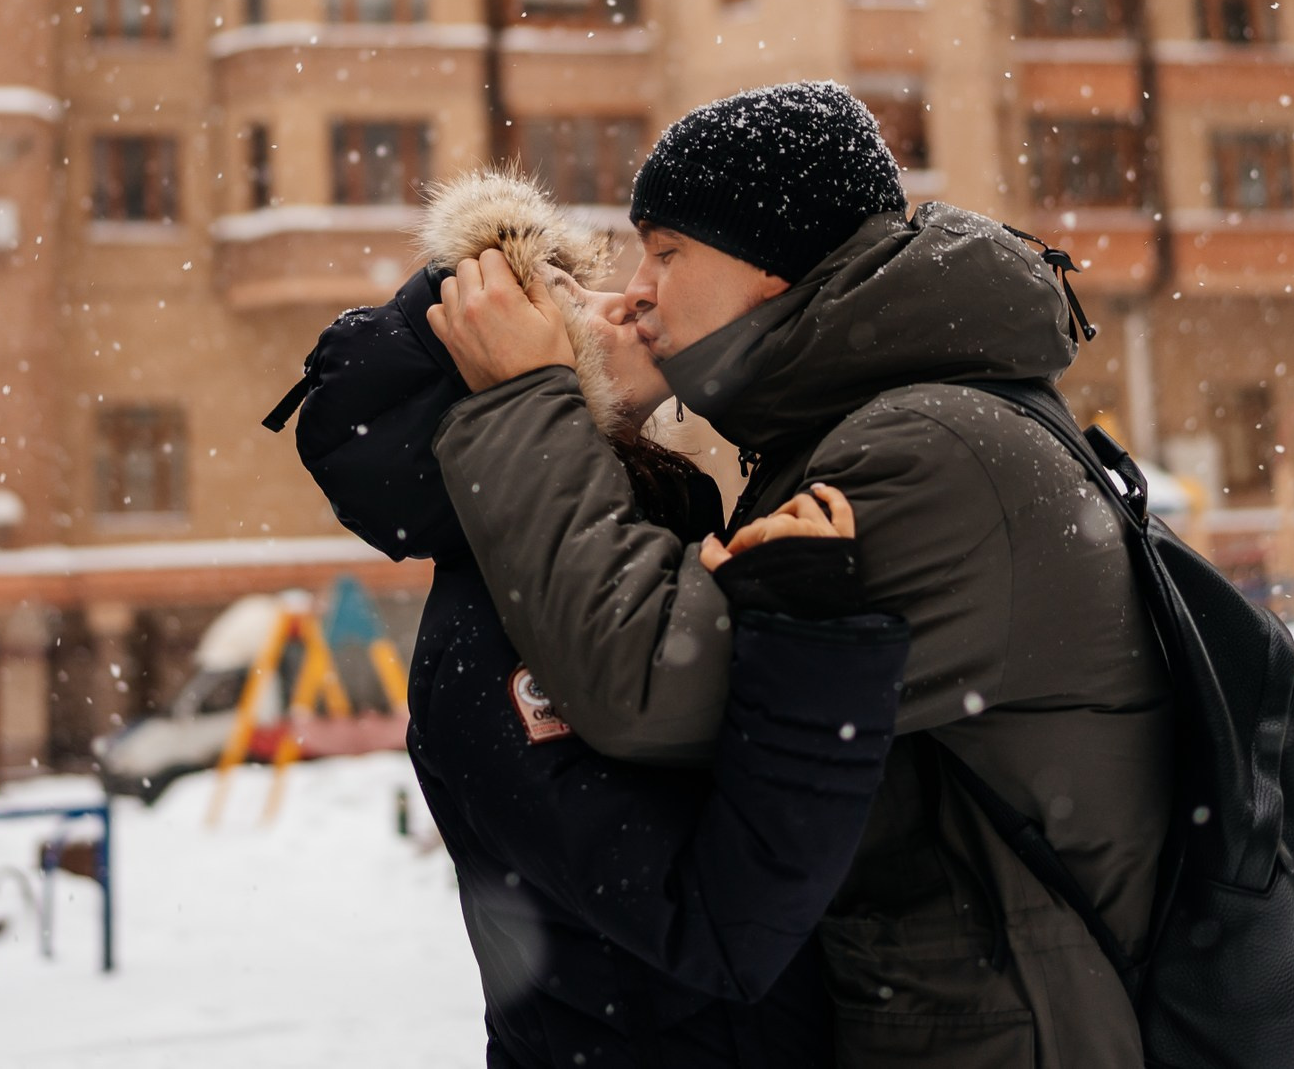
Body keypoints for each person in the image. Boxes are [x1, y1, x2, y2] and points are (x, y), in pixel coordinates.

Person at [428, 83, 1174, 1069]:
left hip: (1006, 1036)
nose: (639, 287)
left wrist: (528, 400)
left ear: (769, 271)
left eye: (667, 250)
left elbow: (655, 690)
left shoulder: (923, 451)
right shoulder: (854, 426)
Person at [283, 171, 911, 1069]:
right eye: (561, 305)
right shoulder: (487, 637)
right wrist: (818, 646)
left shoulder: (652, 530)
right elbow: (713, 926)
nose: (624, 302)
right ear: (490, 385)